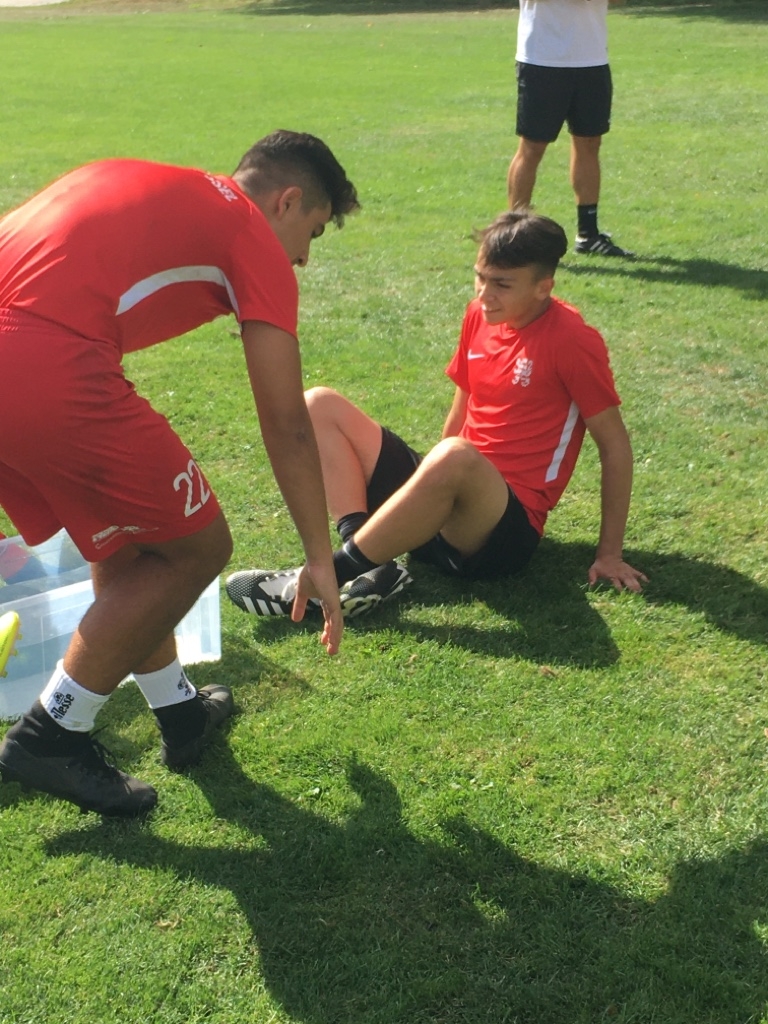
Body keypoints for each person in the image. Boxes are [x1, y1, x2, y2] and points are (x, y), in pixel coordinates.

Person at [0, 130, 359, 816]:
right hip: (43, 361)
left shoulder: (162, 181)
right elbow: (286, 420)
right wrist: (320, 555)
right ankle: (52, 733)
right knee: (198, 547)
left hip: (23, 353)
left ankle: (179, 711)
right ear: (286, 201)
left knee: (128, 542)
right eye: (312, 233)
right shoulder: (250, 233)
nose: (304, 258)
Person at [225, 211, 647, 627]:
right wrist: (425, 488)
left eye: (502, 284)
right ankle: (370, 562)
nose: (485, 294)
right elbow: (461, 408)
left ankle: (330, 575)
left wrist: (609, 554)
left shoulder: (573, 340)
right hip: (448, 495)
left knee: (455, 455)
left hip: (501, 534)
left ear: (543, 287)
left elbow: (614, 445)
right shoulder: (479, 315)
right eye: (480, 277)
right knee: (320, 405)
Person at [507, 0, 633, 258]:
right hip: (542, 59)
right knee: (532, 148)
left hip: (592, 59)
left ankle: (588, 235)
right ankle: (515, 236)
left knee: (589, 143)